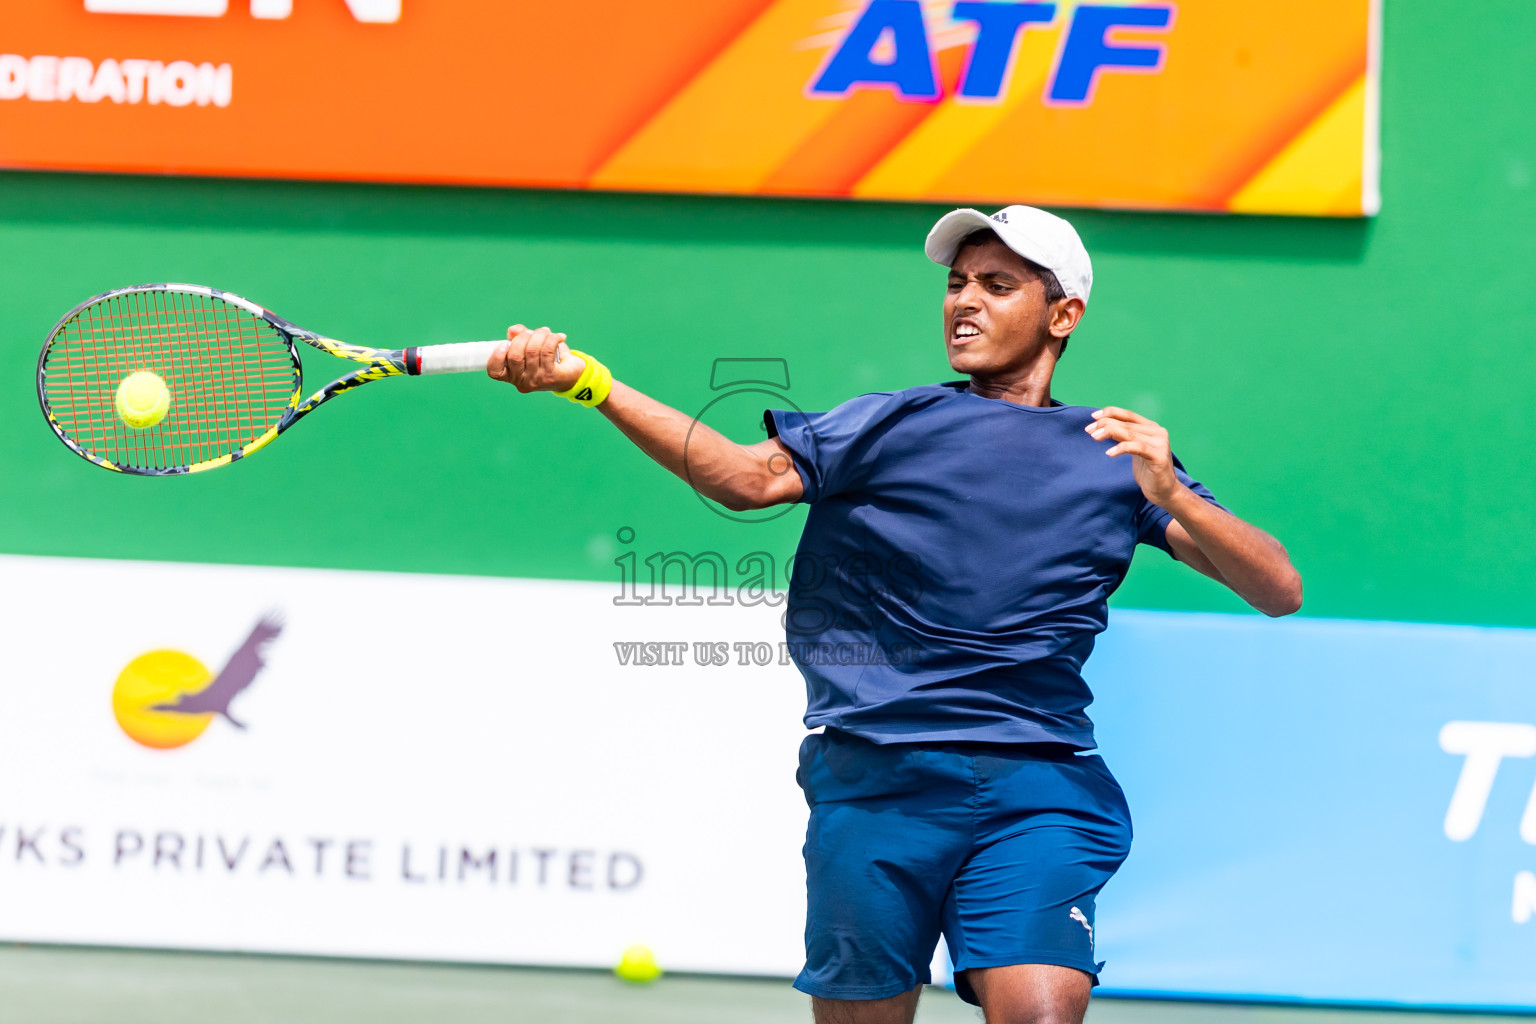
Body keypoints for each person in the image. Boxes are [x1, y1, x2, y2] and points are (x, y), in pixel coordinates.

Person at [485, 205, 1302, 1024]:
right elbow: (744, 479)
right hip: (876, 780)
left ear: (1063, 315)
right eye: (956, 284)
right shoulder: (893, 422)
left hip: (1040, 782)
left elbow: (1277, 589)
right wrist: (589, 383)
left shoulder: (1118, 455)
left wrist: (1172, 498)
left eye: (997, 283)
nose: (964, 302)